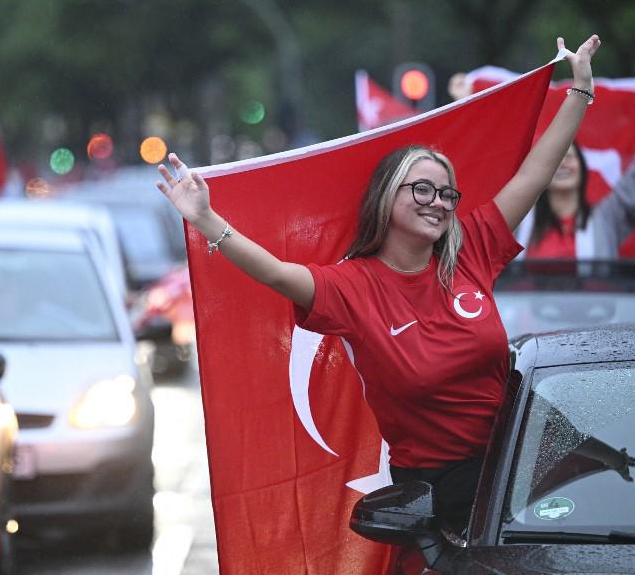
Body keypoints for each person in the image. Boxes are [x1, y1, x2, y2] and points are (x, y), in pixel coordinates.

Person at [158, 35, 601, 538]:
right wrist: (207, 219)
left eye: (446, 193)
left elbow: (534, 175)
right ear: (388, 198)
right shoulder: (353, 288)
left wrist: (578, 92)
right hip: (441, 497)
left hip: (525, 463)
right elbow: (276, 272)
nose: (438, 202)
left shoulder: (471, 247)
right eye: (422, 189)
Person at [516, 78, 635, 258]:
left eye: (570, 157)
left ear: (583, 169)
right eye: (556, 159)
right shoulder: (517, 220)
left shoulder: (607, 217)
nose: (562, 163)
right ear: (542, 170)